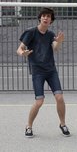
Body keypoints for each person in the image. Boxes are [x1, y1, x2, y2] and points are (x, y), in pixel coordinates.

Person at [17, 7, 70, 137]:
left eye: (49, 17)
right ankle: (28, 126)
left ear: (51, 21)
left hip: (51, 71)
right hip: (37, 72)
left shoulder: (51, 34)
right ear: (40, 17)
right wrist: (23, 53)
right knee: (39, 101)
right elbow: (19, 49)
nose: (46, 18)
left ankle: (62, 124)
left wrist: (59, 42)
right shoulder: (31, 32)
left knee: (60, 97)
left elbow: (55, 48)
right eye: (44, 16)